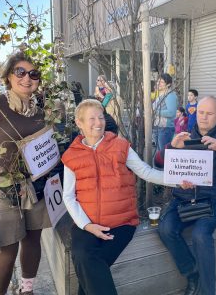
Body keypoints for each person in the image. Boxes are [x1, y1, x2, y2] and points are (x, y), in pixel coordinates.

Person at [61, 99, 166, 295]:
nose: (98, 123)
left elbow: (146, 172)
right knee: (82, 254)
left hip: (120, 222)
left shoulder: (120, 145)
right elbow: (68, 196)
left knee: (89, 263)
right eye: (91, 119)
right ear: (79, 123)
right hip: (87, 223)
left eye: (100, 117)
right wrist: (86, 225)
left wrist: (178, 179)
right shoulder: (71, 156)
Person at [154, 96, 216, 295]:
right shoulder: (183, 137)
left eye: (210, 113)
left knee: (200, 235)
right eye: (201, 112)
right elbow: (159, 162)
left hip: (212, 200)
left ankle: (207, 291)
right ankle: (192, 272)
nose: (204, 117)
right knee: (165, 229)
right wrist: (171, 147)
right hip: (182, 198)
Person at [0, 52, 51, 295]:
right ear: (9, 75)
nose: (27, 79)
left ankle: (27, 290)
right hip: (3, 188)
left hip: (35, 185)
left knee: (33, 240)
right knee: (6, 250)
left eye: (33, 74)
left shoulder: (41, 108)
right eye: (20, 72)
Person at [152, 73, 178, 150]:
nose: (158, 83)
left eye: (161, 82)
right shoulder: (162, 94)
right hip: (159, 127)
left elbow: (171, 112)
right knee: (159, 154)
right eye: (158, 81)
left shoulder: (170, 95)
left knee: (163, 154)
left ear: (168, 84)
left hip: (165, 129)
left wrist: (154, 112)